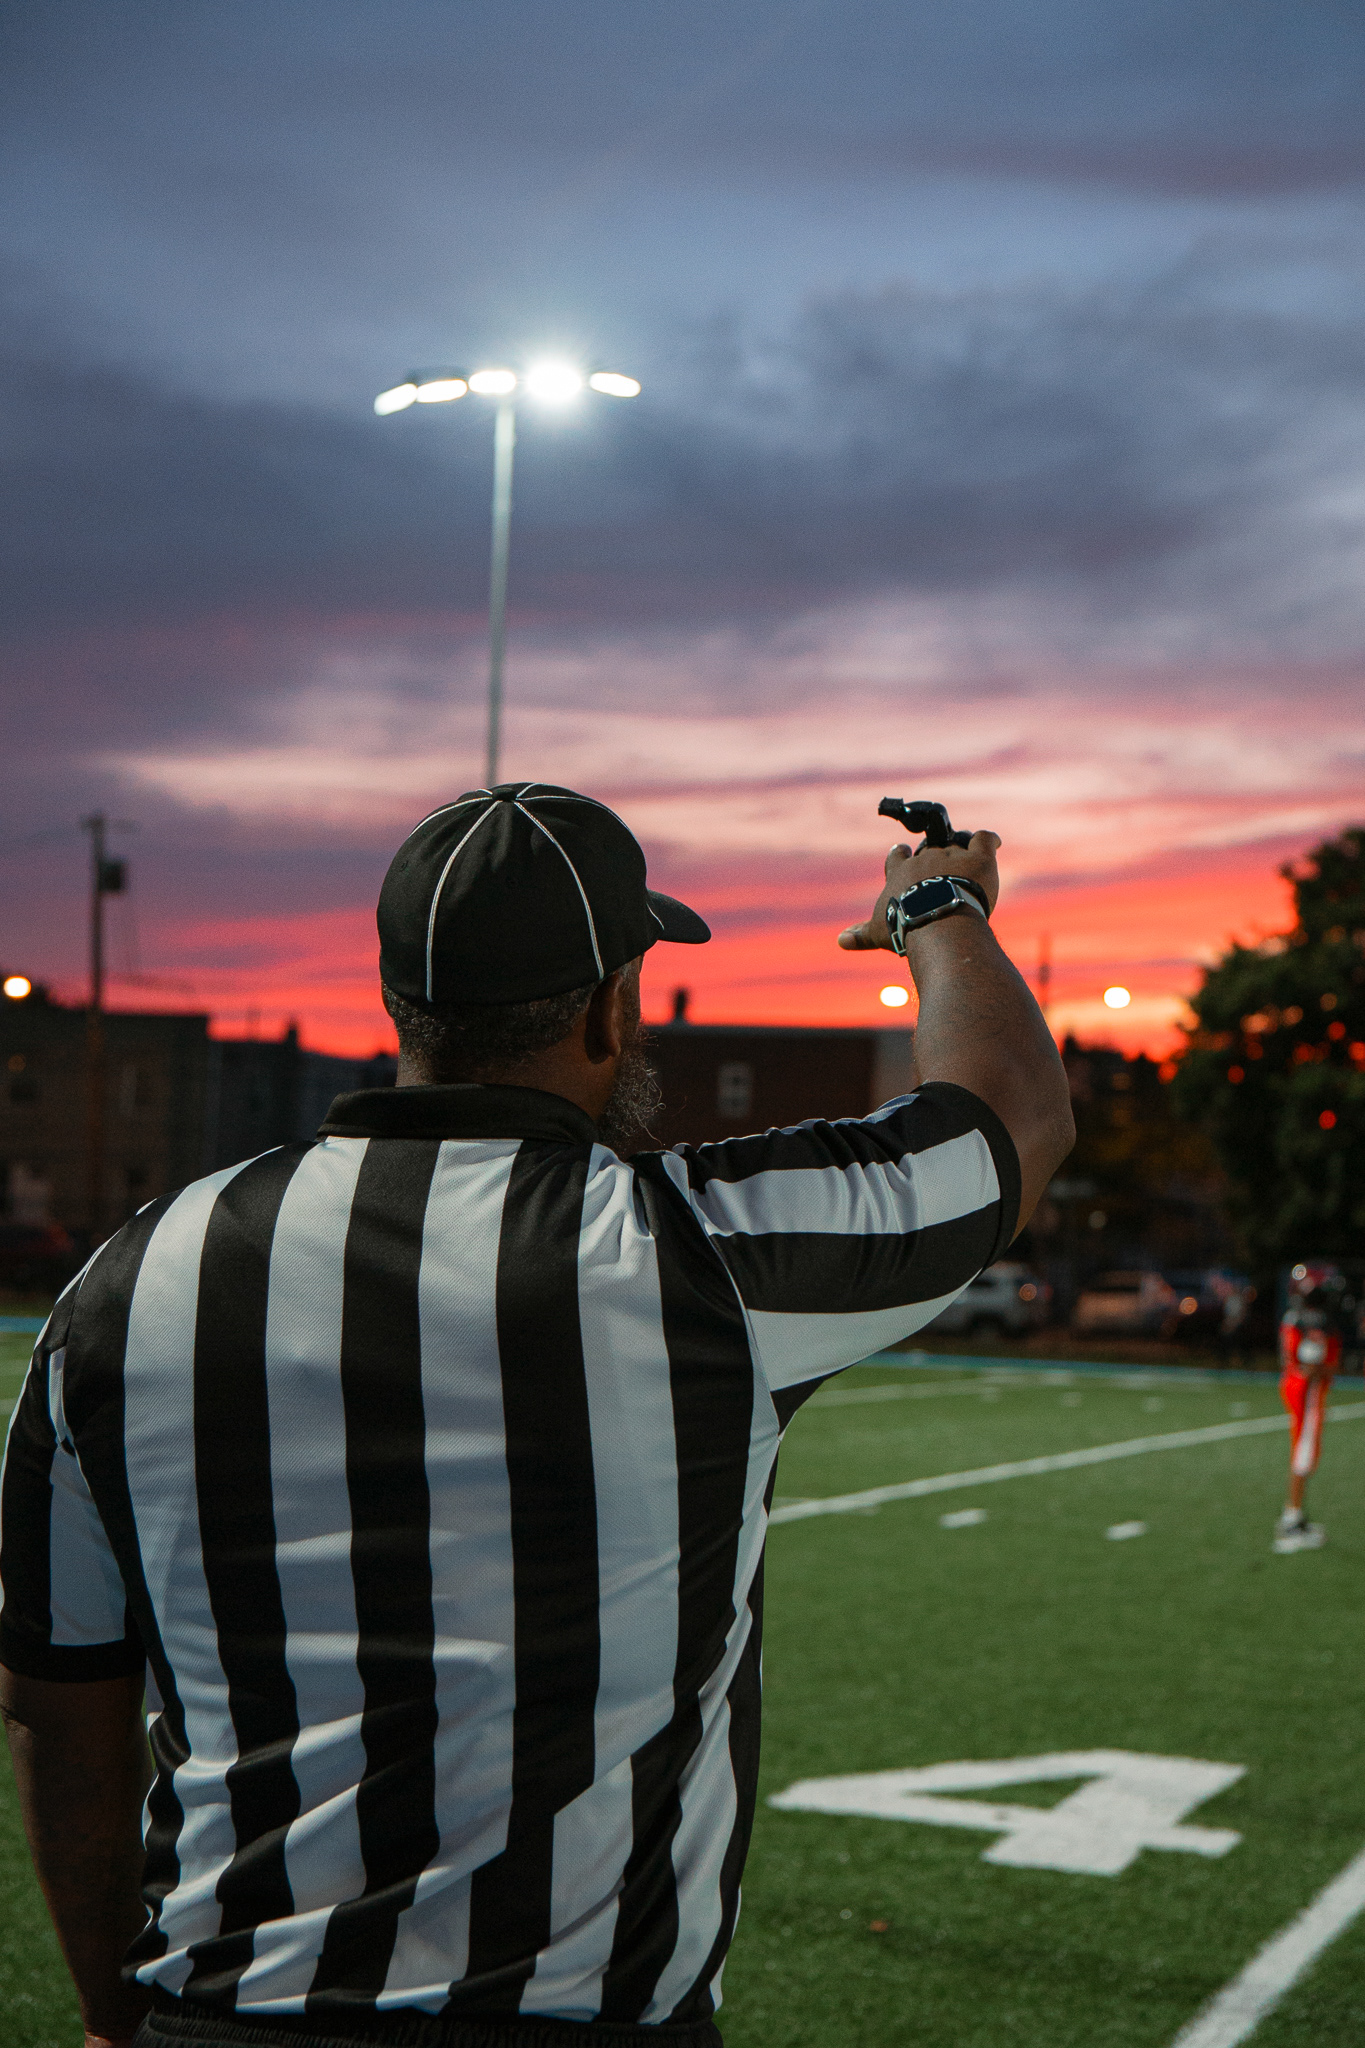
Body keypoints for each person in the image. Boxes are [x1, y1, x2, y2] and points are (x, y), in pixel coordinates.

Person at [0, 783, 1073, 2048]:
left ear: (399, 1001)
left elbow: (61, 1701)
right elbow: (1011, 1116)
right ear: (613, 1005)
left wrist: (112, 2012)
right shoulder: (695, 1253)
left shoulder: (131, 1278)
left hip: (216, 2017)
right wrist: (937, 905)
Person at [1274, 1266, 1346, 1552]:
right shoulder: (1314, 1324)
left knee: (1305, 1452)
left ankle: (1296, 1516)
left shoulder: (1295, 1318)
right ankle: (1290, 1520)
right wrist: (1319, 1369)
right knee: (1303, 1454)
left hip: (1299, 1387)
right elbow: (1315, 1366)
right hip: (1307, 1392)